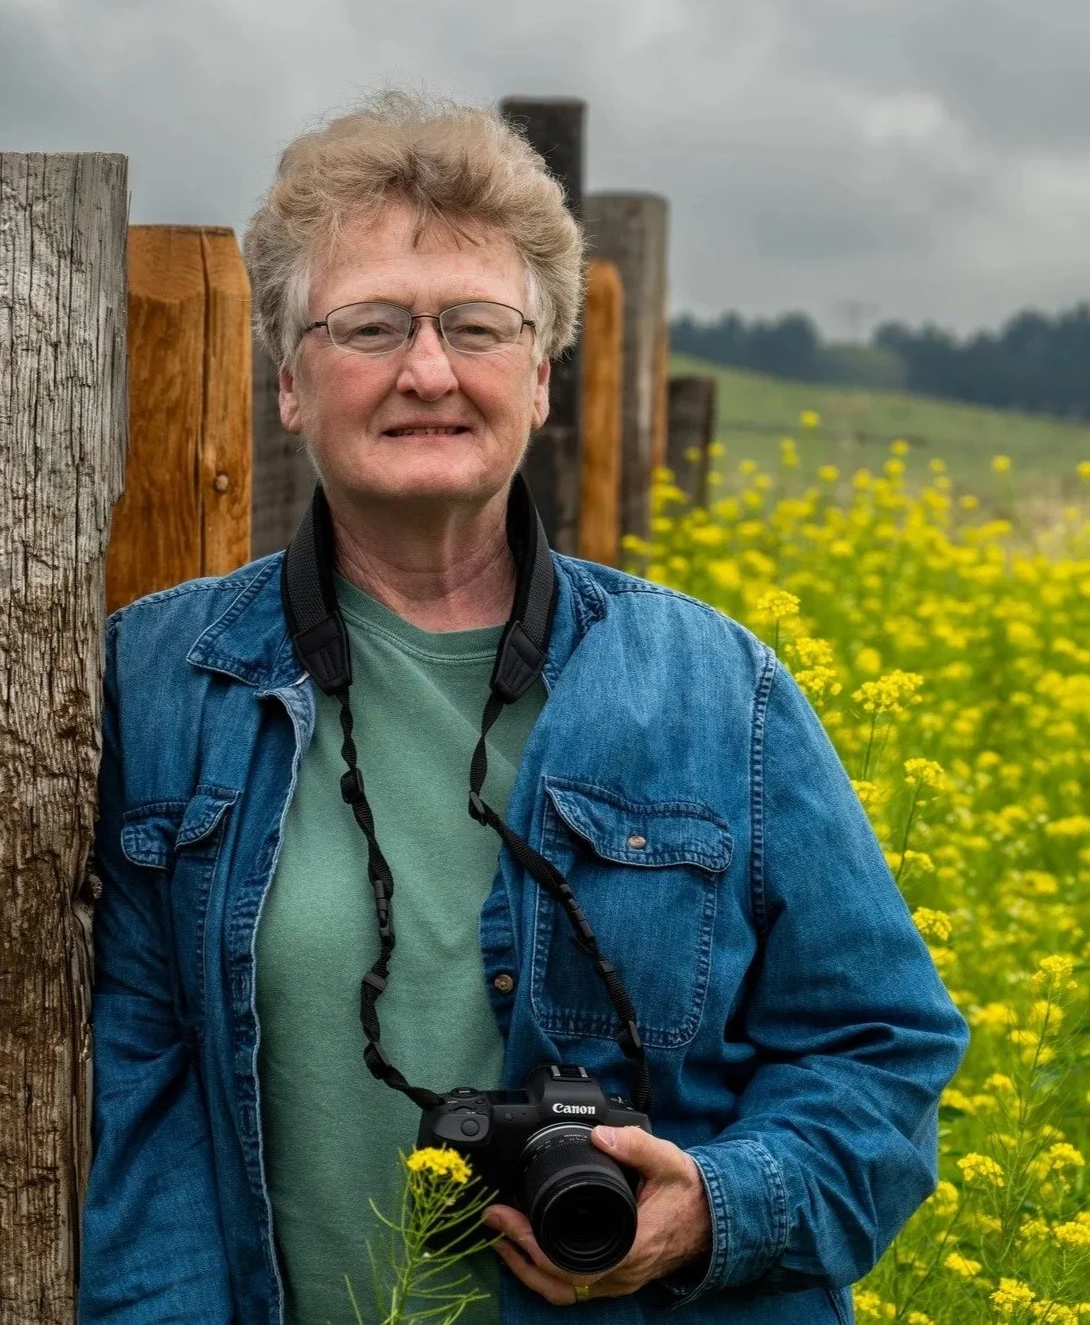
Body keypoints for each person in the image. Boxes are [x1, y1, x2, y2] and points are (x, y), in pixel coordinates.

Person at [79, 89, 969, 1325]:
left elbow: (880, 1051)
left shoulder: (721, 689)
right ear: (288, 383)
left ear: (541, 380)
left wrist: (715, 1203)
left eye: (478, 327)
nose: (428, 370)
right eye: (370, 325)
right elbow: (139, 1113)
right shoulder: (155, 684)